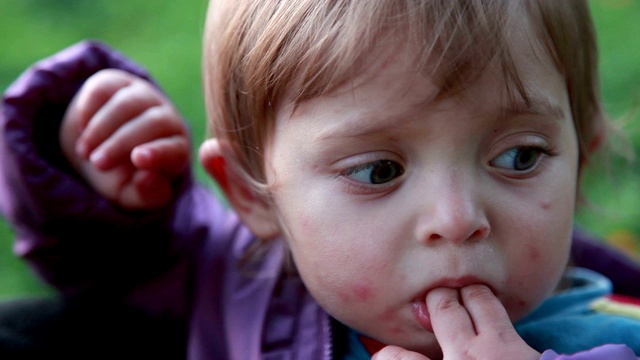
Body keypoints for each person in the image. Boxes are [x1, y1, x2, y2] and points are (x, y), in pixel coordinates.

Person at [2, 0, 640, 359]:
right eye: (378, 171)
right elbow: (104, 270)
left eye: (520, 157)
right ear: (255, 195)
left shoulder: (618, 339)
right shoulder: (240, 283)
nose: (456, 217)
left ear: (579, 156)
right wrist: (94, 166)